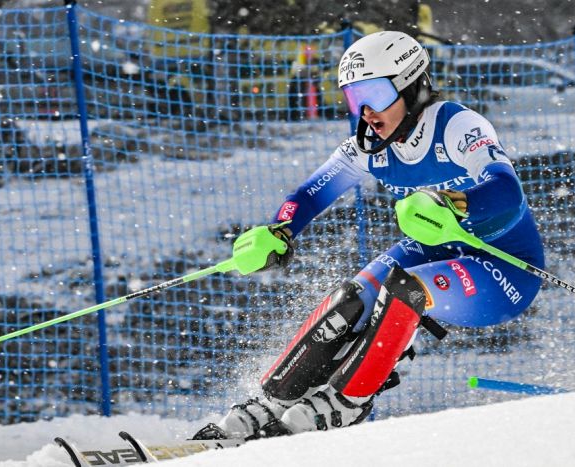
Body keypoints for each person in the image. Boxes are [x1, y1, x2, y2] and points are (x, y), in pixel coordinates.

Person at [193, 31, 545, 440]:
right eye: (353, 98)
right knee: (348, 303)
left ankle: (345, 403)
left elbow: (507, 190)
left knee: (403, 290)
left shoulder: (456, 125)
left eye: (374, 95)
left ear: (411, 87)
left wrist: (452, 203)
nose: (365, 112)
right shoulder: (369, 144)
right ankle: (267, 406)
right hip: (435, 248)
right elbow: (309, 193)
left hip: (502, 269)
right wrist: (280, 229)